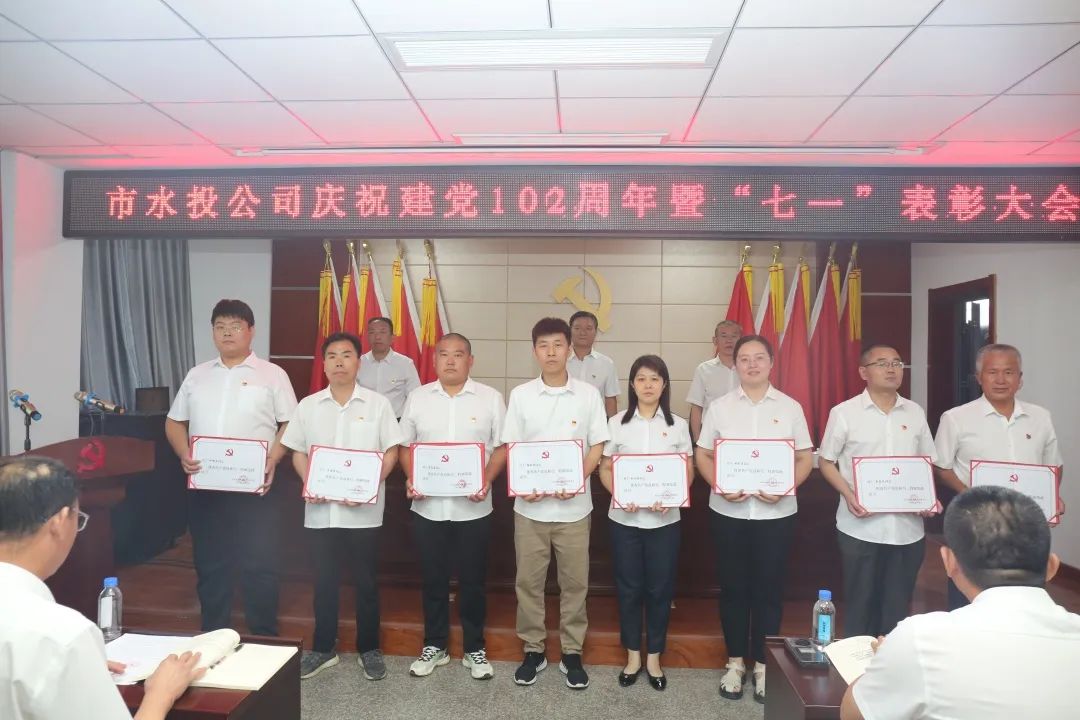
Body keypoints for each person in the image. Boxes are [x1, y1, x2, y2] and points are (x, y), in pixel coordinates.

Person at [840, 486, 1080, 720]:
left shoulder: (919, 639)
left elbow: (852, 714)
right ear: (1052, 567)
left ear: (949, 562)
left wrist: (886, 661)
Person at [0, 456, 206, 720]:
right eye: (78, 518)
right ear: (59, 523)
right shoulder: (61, 636)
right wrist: (161, 694)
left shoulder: (57, 642)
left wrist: (78, 666)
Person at [165, 299, 297, 636]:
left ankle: (264, 638)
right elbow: (174, 422)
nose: (227, 333)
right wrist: (183, 453)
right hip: (206, 485)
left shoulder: (272, 374)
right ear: (212, 332)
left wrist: (273, 458)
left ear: (251, 331)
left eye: (236, 326)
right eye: (220, 326)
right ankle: (214, 635)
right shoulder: (197, 375)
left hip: (256, 486)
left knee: (260, 563)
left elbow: (291, 424)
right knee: (211, 563)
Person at [694, 335, 813, 703]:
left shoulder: (790, 408)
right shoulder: (720, 408)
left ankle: (763, 665)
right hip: (729, 512)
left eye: (758, 358)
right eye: (744, 358)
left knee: (769, 589)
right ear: (735, 365)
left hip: (776, 513)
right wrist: (718, 484)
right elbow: (703, 454)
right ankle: (734, 663)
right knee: (733, 589)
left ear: (771, 362)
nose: (751, 364)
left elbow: (805, 457)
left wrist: (786, 487)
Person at [282, 332, 402, 681]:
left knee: (366, 582)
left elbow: (392, 451)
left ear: (358, 362)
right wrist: (309, 481)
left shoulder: (378, 405)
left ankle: (369, 648)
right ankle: (323, 648)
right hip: (321, 512)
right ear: (324, 364)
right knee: (324, 580)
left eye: (346, 355)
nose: (339, 361)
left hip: (364, 513)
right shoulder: (308, 406)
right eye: (332, 355)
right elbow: (297, 451)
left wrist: (369, 484)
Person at [504, 317, 610, 690]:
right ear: (535, 351)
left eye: (557, 344)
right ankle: (533, 649)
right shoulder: (521, 395)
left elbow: (598, 444)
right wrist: (523, 483)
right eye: (543, 345)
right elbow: (513, 446)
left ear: (568, 349)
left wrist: (577, 477)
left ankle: (571, 651)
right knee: (528, 582)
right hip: (530, 508)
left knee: (575, 583)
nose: (551, 352)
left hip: (574, 509)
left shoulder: (588, 395)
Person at [398, 333, 507, 681]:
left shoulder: (490, 398)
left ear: (470, 361)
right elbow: (405, 446)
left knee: (473, 581)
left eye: (458, 354)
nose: (450, 360)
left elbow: (503, 447)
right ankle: (436, 645)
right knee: (433, 579)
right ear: (434, 360)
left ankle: (475, 648)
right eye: (443, 354)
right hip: (428, 508)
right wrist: (412, 476)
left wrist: (486, 478)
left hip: (473, 509)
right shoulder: (417, 398)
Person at [819, 344, 939, 638]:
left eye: (897, 363)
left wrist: (928, 498)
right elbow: (826, 461)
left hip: (907, 530)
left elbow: (926, 462)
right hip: (860, 527)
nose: (891, 369)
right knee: (860, 606)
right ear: (864, 372)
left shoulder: (914, 412)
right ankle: (855, 664)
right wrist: (848, 495)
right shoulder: (844, 413)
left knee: (897, 610)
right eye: (882, 363)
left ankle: (890, 662)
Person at [933, 343, 1064, 609]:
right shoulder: (956, 418)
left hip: (1025, 522)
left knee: (1025, 597)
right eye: (993, 372)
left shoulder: (1040, 417)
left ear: (1020, 378)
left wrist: (1053, 498)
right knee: (968, 595)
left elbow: (1054, 465)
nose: (1001, 380)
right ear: (979, 377)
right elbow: (941, 467)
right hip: (975, 520)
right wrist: (972, 495)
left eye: (1009, 372)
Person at [598, 355, 692, 691]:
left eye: (654, 378)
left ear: (664, 384)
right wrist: (621, 492)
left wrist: (672, 496)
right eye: (641, 378)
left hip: (665, 521)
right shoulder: (616, 423)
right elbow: (605, 468)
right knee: (629, 588)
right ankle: (633, 656)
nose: (648, 385)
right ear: (632, 384)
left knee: (659, 589)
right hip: (624, 519)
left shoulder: (678, 425)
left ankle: (654, 657)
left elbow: (687, 469)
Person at [686, 320, 742, 443]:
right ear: (715, 340)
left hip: (742, 434)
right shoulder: (703, 369)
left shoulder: (748, 369)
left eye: (734, 336)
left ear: (740, 340)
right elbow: (696, 407)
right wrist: (697, 442)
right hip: (710, 436)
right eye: (724, 336)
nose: (729, 340)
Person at [357, 316, 421, 419]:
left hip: (396, 421)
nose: (377, 337)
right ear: (367, 337)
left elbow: (415, 397)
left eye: (382, 332)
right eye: (372, 332)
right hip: (365, 420)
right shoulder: (358, 363)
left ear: (392, 338)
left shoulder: (405, 364)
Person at [567, 310, 619, 418]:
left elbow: (610, 400)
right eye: (577, 328)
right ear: (570, 331)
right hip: (565, 422)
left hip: (596, 423)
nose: (582, 333)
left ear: (595, 332)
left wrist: (613, 426)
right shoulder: (560, 362)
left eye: (588, 328)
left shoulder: (607, 364)